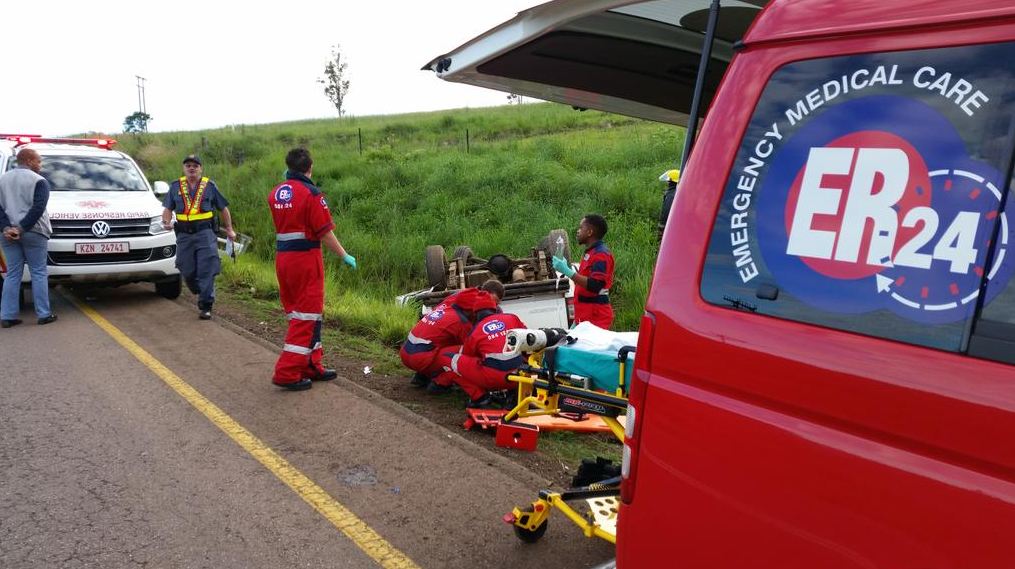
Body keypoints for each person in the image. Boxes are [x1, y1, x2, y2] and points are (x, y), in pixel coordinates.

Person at [268, 147, 357, 391]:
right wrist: (344, 255)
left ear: (288, 167)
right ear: (310, 167)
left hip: (283, 259)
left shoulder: (276, 193)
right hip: (305, 259)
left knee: (300, 314)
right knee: (306, 316)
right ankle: (287, 372)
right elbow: (325, 233)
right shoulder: (312, 194)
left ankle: (311, 364)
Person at [161, 154, 236, 320]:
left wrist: (229, 229)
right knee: (184, 266)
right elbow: (167, 208)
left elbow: (223, 208)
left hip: (205, 233)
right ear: (184, 169)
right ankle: (197, 288)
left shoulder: (209, 186)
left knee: (206, 269)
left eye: (195, 165)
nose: (191, 168)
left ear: (200, 169)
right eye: (188, 165)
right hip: (184, 234)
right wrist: (166, 221)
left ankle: (206, 305)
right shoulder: (175, 186)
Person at [400, 280, 505, 389]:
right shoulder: (462, 322)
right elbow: (473, 347)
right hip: (420, 359)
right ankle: (441, 382)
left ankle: (422, 375)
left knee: (443, 339)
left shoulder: (455, 300)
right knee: (466, 353)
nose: (492, 306)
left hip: (407, 352)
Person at [0, 148, 56, 328]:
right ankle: (44, 314)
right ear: (30, 160)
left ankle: (7, 316)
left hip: (7, 234)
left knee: (12, 274)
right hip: (34, 232)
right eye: (38, 161)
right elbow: (38, 208)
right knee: (38, 272)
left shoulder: (2, 180)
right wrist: (21, 229)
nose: (40, 165)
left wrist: (7, 228)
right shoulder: (39, 181)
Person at [444, 305, 527, 408]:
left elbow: (467, 355)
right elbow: (529, 339)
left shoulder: (475, 331)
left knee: (447, 358)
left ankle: (480, 398)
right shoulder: (512, 317)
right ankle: (514, 394)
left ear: (476, 314)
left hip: (493, 379)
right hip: (521, 376)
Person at [552, 214, 615, 329]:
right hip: (584, 316)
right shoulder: (590, 252)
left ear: (590, 232)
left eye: (581, 228)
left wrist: (567, 271)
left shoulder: (601, 255)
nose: (578, 231)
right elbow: (584, 280)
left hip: (596, 319)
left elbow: (595, 285)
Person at [658, 168, 680, 239]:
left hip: (669, 227)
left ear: (671, 182)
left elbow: (666, 211)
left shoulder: (670, 195)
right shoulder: (678, 192)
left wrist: (661, 227)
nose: (667, 183)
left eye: (668, 181)